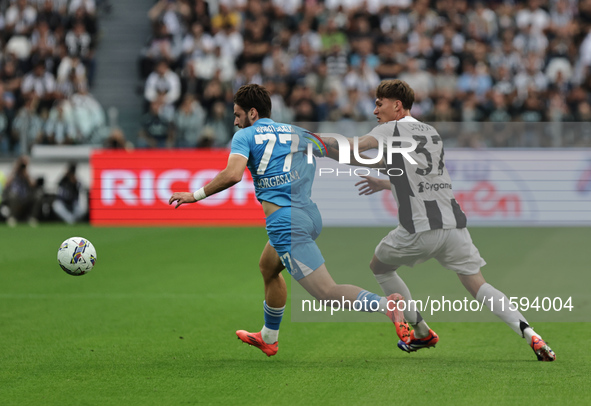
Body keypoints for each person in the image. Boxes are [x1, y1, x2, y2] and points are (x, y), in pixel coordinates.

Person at [321, 79, 556, 361]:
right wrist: (382, 182)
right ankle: (532, 335)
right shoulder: (430, 132)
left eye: (379, 103)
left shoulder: (389, 128)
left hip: (420, 227)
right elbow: (405, 169)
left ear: (397, 106)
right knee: (477, 283)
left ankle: (421, 330)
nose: (375, 110)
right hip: (454, 226)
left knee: (379, 267)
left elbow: (354, 147)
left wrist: (312, 141)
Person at [169, 84, 408, 357]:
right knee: (268, 267)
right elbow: (341, 151)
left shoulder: (245, 136)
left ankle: (386, 305)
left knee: (326, 292)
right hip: (309, 215)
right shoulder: (296, 132)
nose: (234, 121)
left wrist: (195, 195)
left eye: (237, 114)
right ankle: (269, 337)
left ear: (253, 113)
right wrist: (383, 162)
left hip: (286, 223)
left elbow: (233, 174)